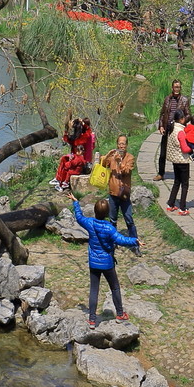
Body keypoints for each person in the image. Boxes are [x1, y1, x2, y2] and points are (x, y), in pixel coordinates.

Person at [73, 196, 140, 328]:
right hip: (107, 263)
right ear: (108, 213)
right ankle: (120, 314)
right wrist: (135, 241)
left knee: (94, 289)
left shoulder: (90, 223)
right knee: (114, 287)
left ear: (95, 211)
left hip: (94, 263)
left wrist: (75, 202)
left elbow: (79, 217)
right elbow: (121, 239)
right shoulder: (109, 228)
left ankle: (92, 319)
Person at [101, 135, 139, 249]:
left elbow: (126, 171)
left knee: (129, 219)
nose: (121, 146)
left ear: (126, 145)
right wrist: (108, 155)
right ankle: (112, 243)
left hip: (124, 194)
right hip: (113, 192)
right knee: (112, 220)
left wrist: (119, 162)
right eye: (119, 143)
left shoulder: (130, 158)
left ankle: (135, 245)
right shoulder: (113, 156)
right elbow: (103, 164)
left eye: (123, 144)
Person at [155, 80, 191, 181]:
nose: (177, 89)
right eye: (175, 87)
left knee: (179, 152)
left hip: (178, 130)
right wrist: (161, 126)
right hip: (167, 130)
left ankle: (181, 174)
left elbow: (189, 115)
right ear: (172, 88)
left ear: (180, 88)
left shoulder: (184, 100)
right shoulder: (167, 99)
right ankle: (161, 173)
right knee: (162, 153)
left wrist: (182, 120)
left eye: (178, 87)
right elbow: (162, 114)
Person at [53, 117, 96, 190]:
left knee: (66, 164)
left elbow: (66, 139)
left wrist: (65, 133)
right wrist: (83, 123)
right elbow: (89, 131)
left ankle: (60, 182)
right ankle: (58, 180)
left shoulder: (79, 139)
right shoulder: (83, 137)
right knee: (64, 159)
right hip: (76, 158)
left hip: (79, 162)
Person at [165, 110, 192, 215]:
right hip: (182, 160)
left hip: (175, 160)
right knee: (185, 184)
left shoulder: (172, 128)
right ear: (181, 119)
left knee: (177, 182)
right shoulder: (180, 131)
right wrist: (191, 148)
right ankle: (183, 208)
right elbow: (185, 149)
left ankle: (170, 204)